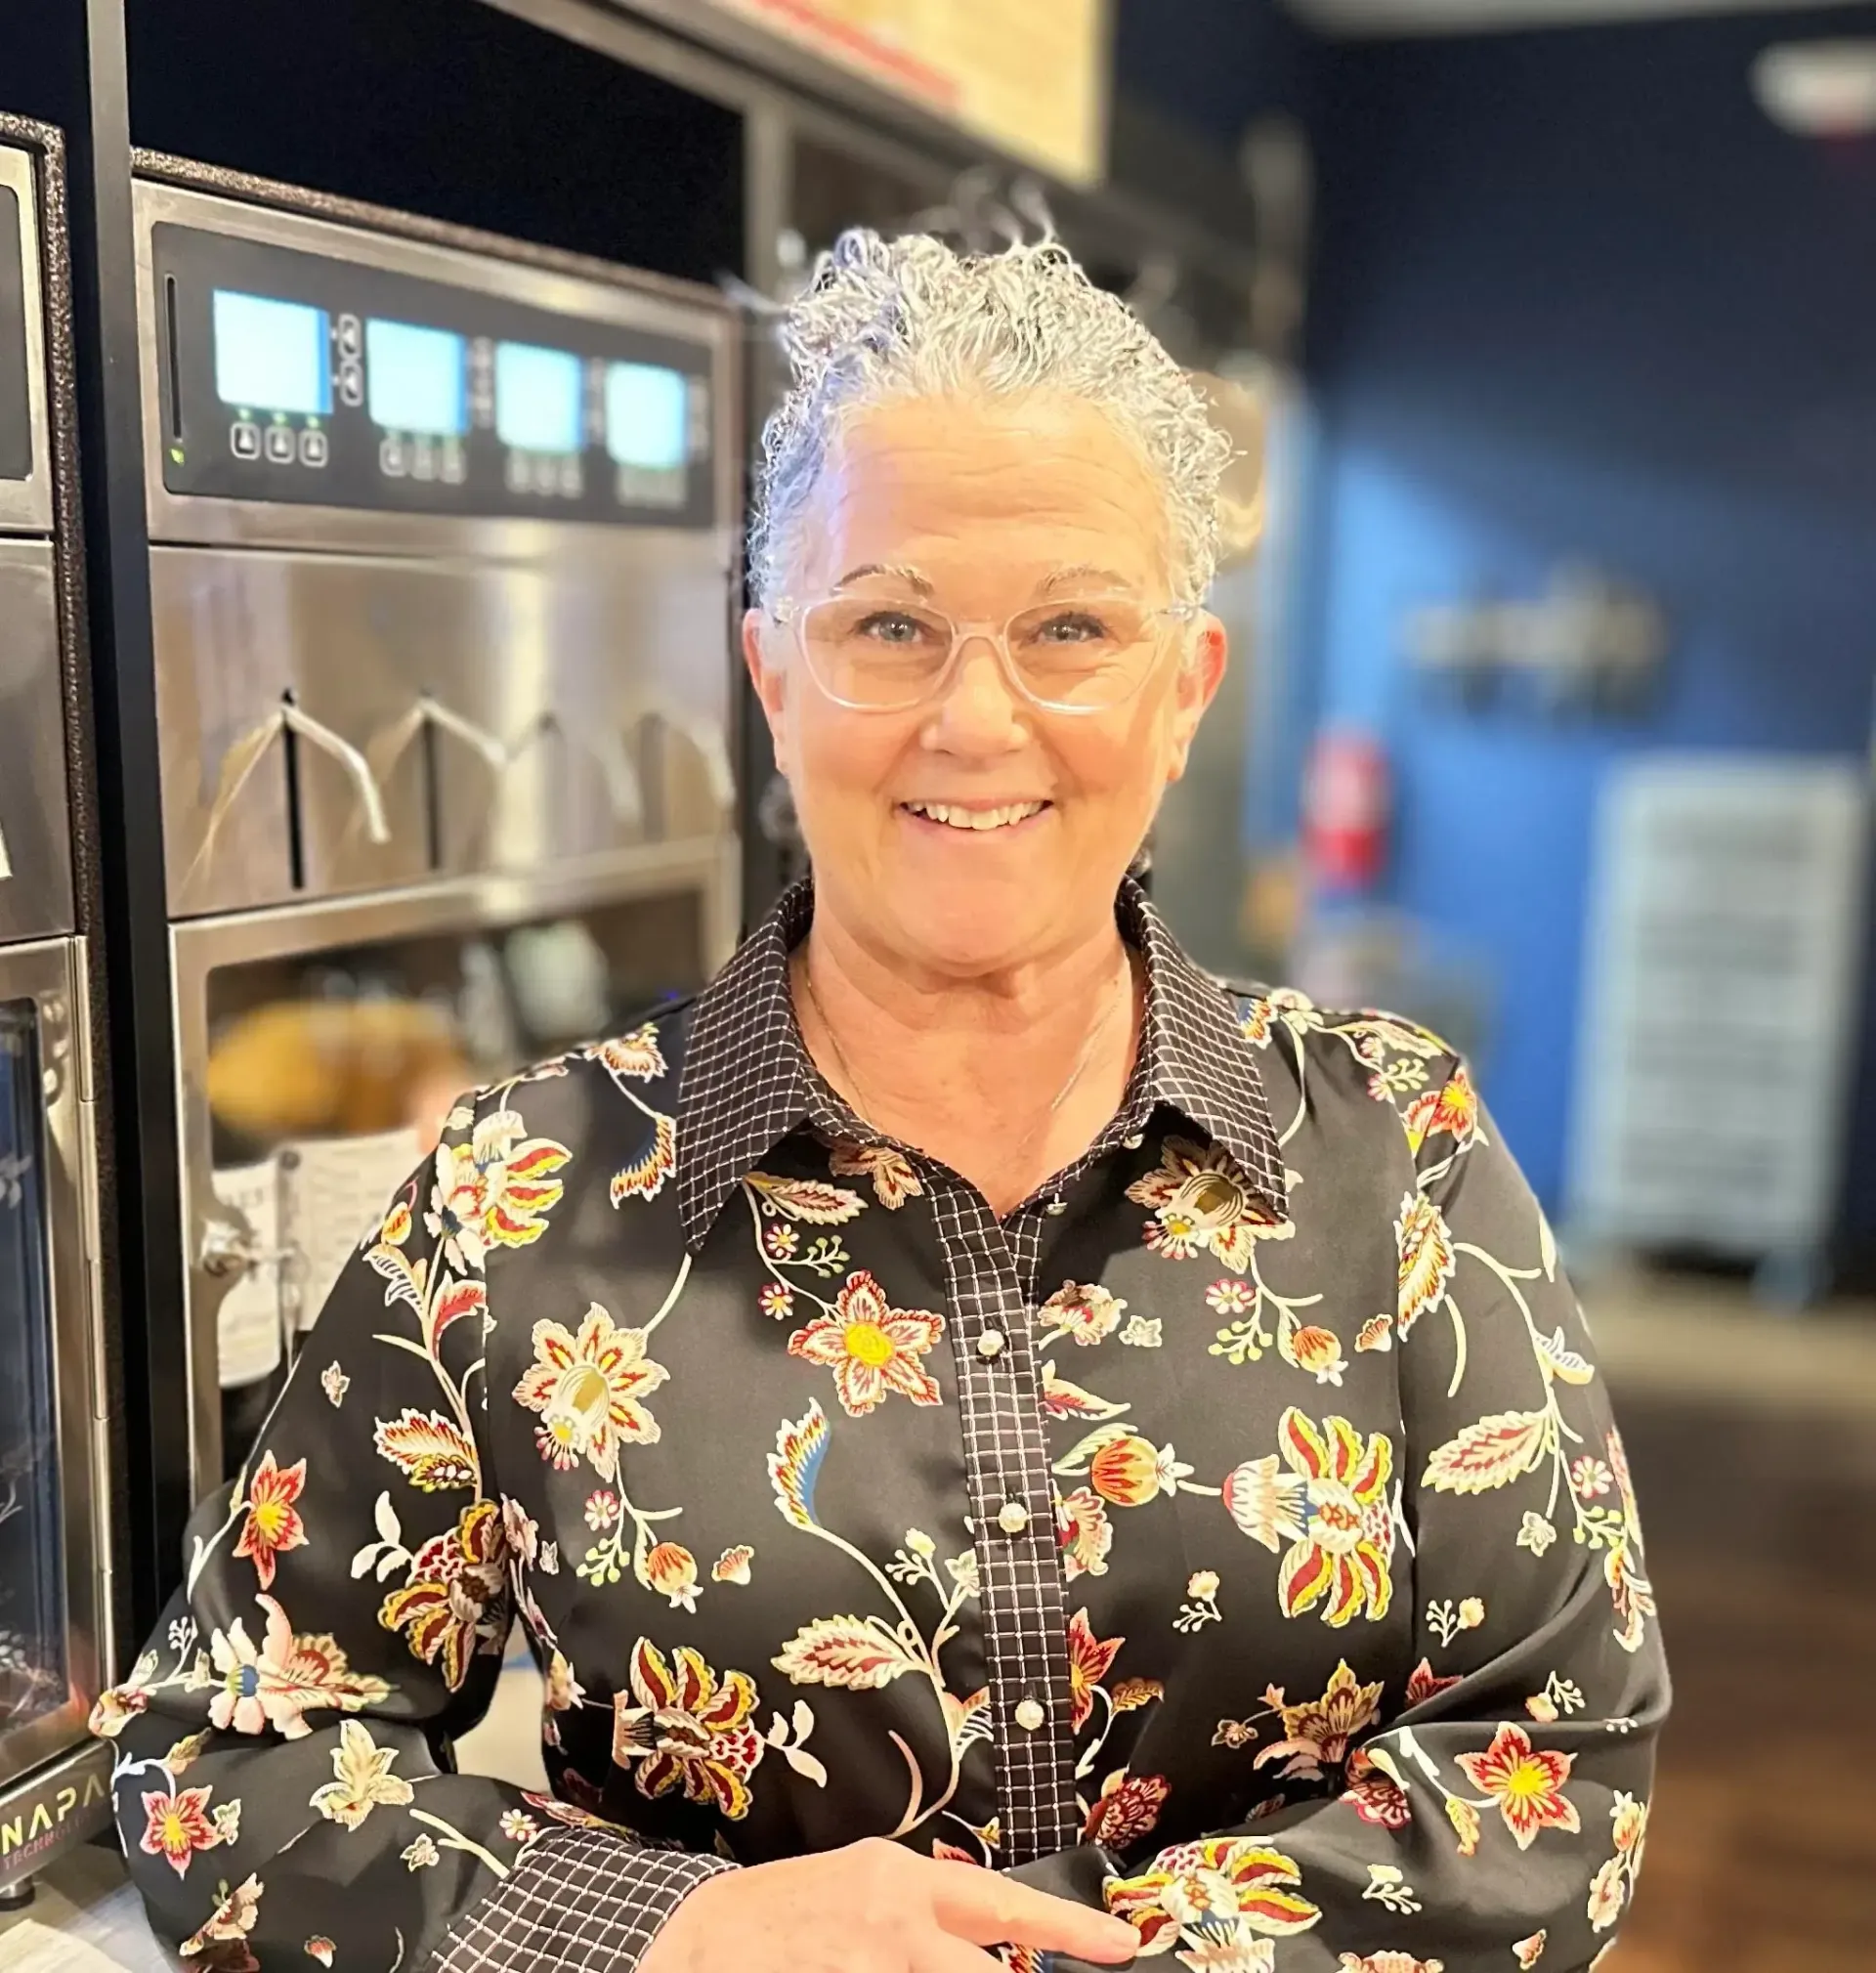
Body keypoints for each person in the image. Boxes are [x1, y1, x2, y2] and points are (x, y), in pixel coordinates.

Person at [96, 230, 1665, 1973]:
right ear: (776, 678)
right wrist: (675, 1929)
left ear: (1183, 690)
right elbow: (221, 1760)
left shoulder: (1394, 1147)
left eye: (1070, 626)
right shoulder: (519, 1193)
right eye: (889, 625)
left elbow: (1556, 1765)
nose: (976, 718)